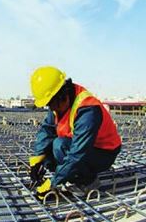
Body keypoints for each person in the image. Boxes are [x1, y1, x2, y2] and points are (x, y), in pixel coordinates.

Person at [28, 66, 122, 199]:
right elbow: (47, 129)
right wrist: (37, 159)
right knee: (48, 150)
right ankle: (70, 175)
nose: (52, 109)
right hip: (83, 148)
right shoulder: (57, 102)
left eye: (52, 104)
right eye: (49, 105)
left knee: (60, 145)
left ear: (63, 95)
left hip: (104, 153)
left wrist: (53, 182)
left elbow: (77, 153)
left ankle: (88, 183)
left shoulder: (88, 109)